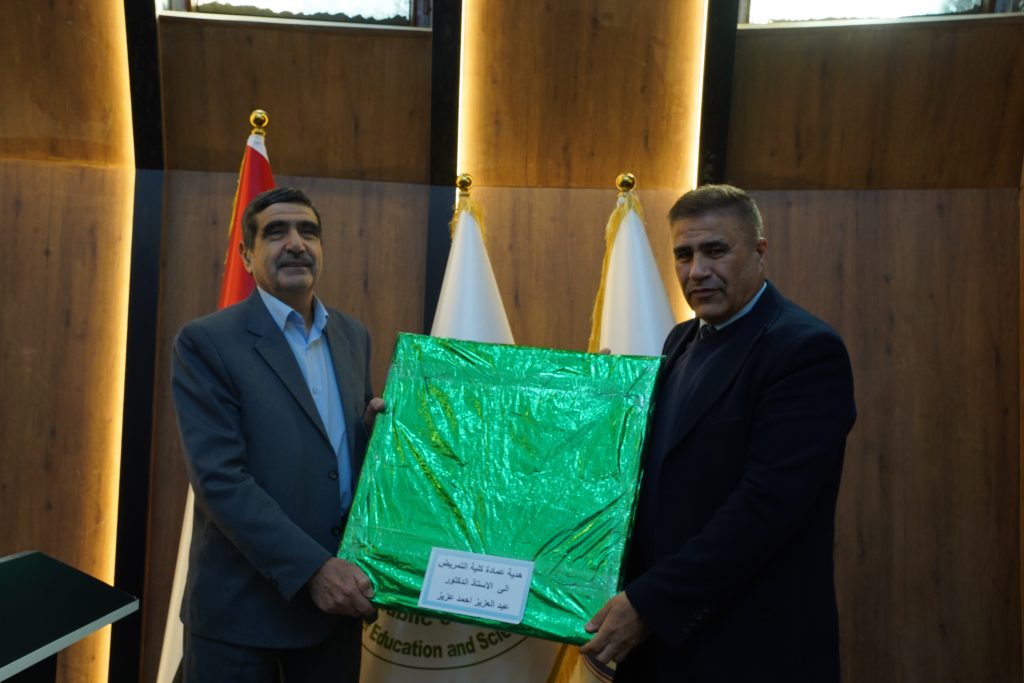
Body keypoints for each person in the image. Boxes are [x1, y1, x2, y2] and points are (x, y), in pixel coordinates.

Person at [580, 184, 856, 682]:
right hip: (664, 646)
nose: (697, 271)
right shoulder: (681, 339)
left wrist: (649, 602)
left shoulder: (804, 350)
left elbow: (765, 509)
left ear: (759, 252)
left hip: (750, 649)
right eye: (683, 255)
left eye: (715, 250)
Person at [172, 186, 384, 681]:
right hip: (242, 619)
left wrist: (379, 442)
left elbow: (337, 461)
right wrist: (314, 570)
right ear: (247, 256)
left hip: (334, 617)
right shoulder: (206, 342)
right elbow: (221, 480)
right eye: (276, 232)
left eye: (308, 231)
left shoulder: (353, 336)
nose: (295, 243)